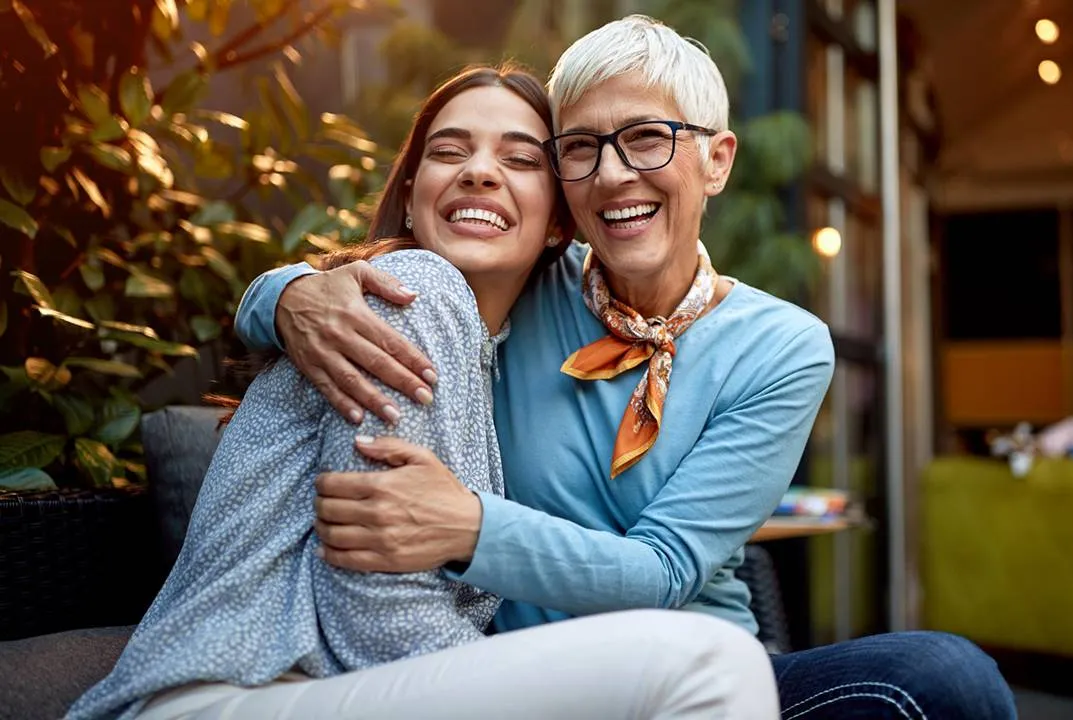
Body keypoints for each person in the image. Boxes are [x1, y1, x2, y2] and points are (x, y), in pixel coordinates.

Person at [237, 16, 1017, 719]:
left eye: (647, 137)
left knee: (943, 676)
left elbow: (667, 568)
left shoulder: (784, 346)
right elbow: (395, 277)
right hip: (521, 679)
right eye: (580, 148)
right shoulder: (520, 285)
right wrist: (284, 295)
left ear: (716, 160)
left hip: (703, 674)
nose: (612, 175)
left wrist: (469, 526)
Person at [68, 64, 780, 720]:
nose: (478, 172)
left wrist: (276, 293)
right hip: (233, 694)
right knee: (712, 665)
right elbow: (378, 612)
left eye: (521, 159)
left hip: (336, 688)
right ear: (409, 195)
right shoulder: (418, 294)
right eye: (448, 152)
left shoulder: (498, 347)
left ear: (561, 220)